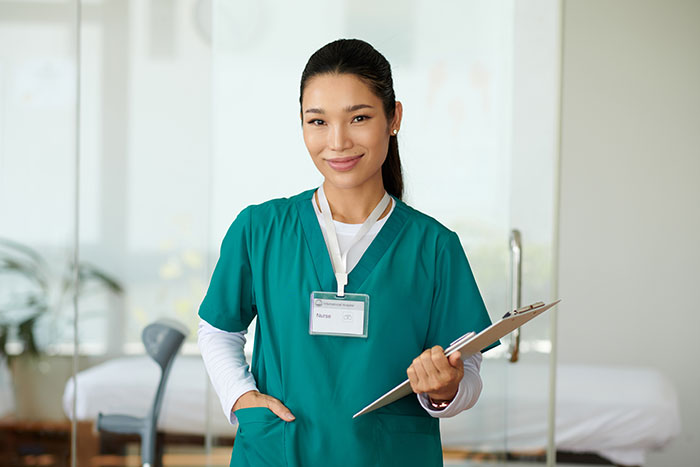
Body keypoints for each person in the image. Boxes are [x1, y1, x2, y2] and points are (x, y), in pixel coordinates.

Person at [197, 38, 497, 467]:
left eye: (358, 117)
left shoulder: (434, 247)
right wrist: (240, 396)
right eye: (317, 122)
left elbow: (467, 374)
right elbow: (217, 330)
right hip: (279, 452)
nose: (337, 142)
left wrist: (445, 389)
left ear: (393, 117)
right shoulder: (259, 229)